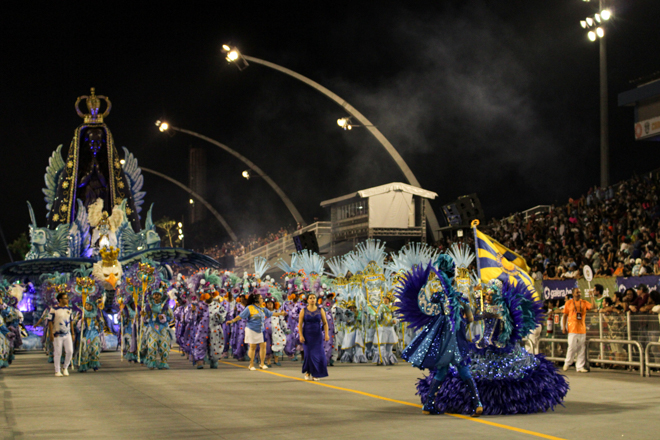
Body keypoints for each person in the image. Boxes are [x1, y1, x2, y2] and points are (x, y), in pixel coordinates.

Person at [226, 293, 285, 371]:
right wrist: (232, 321)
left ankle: (262, 364)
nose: (262, 300)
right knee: (253, 347)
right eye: (261, 298)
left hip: (261, 329)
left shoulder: (262, 308)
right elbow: (240, 316)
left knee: (263, 345)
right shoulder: (249, 308)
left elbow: (270, 313)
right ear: (256, 300)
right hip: (252, 329)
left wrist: (280, 313)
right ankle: (251, 364)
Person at [298, 293, 330, 381]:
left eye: (314, 298)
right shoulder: (303, 310)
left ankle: (316, 374)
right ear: (307, 300)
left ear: (316, 300)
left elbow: (325, 323)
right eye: (310, 298)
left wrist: (326, 334)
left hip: (317, 335)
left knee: (318, 355)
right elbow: (300, 324)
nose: (312, 299)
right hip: (307, 335)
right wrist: (301, 335)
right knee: (308, 355)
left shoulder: (320, 310)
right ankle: (308, 372)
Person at [562, 288, 593, 373]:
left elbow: (593, 307)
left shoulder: (584, 302)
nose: (579, 293)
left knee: (581, 348)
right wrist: (564, 327)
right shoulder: (568, 303)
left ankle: (579, 367)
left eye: (579, 292)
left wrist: (592, 297)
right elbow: (565, 316)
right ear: (573, 294)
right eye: (577, 292)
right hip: (572, 329)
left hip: (582, 329)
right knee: (571, 347)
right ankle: (567, 363)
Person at [48, 288, 75, 377]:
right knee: (58, 352)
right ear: (60, 299)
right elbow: (50, 322)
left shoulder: (69, 309)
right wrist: (51, 333)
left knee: (70, 351)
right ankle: (57, 370)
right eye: (65, 298)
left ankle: (65, 367)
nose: (67, 300)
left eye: (67, 298)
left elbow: (71, 321)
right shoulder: (53, 309)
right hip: (57, 334)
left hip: (67, 334)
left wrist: (73, 333)